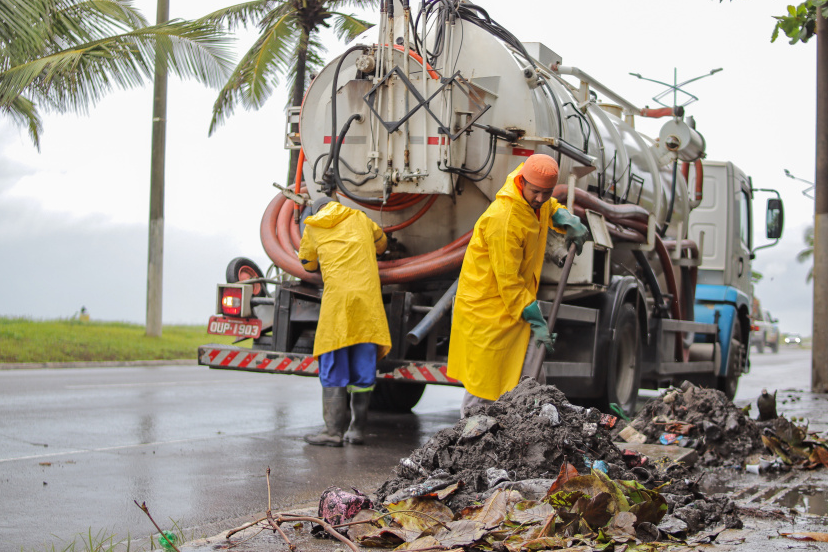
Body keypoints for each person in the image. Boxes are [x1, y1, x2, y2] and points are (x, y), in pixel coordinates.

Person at [446, 153, 589, 417]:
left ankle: (527, 428)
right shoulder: (505, 219)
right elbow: (508, 281)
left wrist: (565, 218)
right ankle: (470, 436)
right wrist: (535, 318)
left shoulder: (535, 200)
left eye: (546, 193)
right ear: (523, 182)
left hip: (513, 304)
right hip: (487, 310)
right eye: (536, 192)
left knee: (529, 379)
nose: (540, 199)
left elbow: (549, 206)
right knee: (486, 382)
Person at [298, 195, 392, 446]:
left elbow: (307, 264)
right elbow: (382, 245)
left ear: (317, 210)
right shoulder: (360, 217)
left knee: (333, 365)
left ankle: (332, 432)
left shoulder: (314, 226)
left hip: (337, 305)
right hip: (366, 303)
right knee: (363, 368)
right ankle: (357, 430)